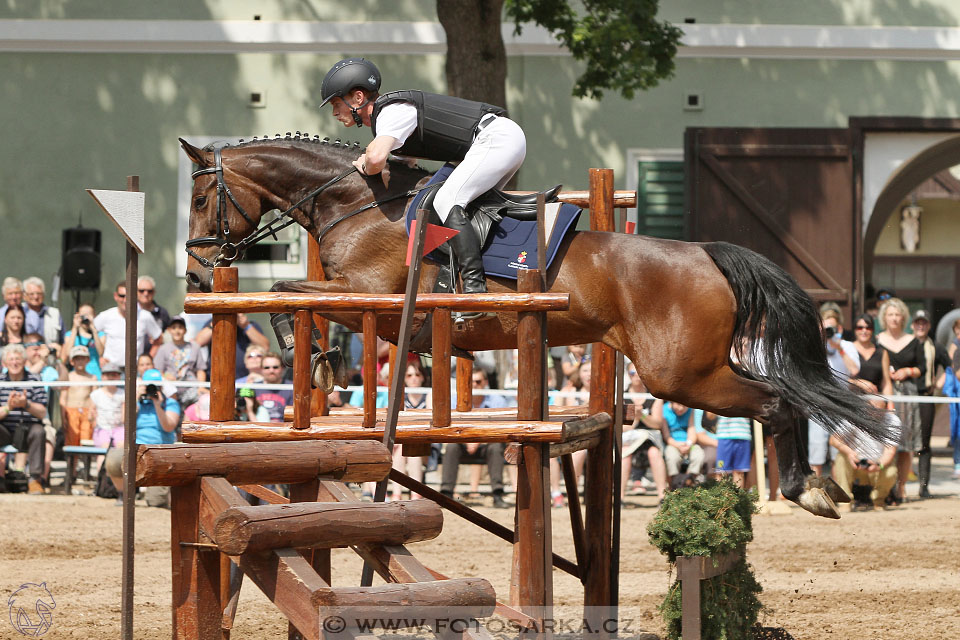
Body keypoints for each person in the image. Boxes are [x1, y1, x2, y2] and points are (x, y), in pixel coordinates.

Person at [318, 57, 525, 319]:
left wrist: (365, 164)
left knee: (448, 201)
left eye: (337, 104)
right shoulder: (392, 119)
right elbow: (406, 164)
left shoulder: (390, 112)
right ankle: (454, 278)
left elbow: (375, 159)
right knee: (437, 201)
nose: (335, 112)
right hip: (488, 144)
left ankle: (475, 292)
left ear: (358, 98)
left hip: (495, 140)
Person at [105, 368, 180, 507]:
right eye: (149, 386)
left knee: (156, 502)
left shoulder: (170, 403)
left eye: (156, 386)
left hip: (160, 450)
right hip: (137, 447)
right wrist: (134, 399)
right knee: (113, 458)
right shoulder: (137, 402)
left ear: (162, 387)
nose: (153, 389)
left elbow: (168, 427)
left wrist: (158, 405)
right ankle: (124, 494)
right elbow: (125, 420)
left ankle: (157, 493)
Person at [876, 297, 925, 503]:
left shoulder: (913, 341)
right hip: (884, 394)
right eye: (890, 315)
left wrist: (908, 371)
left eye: (898, 315)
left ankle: (901, 488)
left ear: (903, 318)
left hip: (907, 394)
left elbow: (923, 368)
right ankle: (883, 488)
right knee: (885, 442)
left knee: (906, 445)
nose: (894, 318)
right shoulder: (877, 339)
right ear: (884, 318)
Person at [440, 367, 509, 507]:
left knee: (496, 448)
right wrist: (467, 439)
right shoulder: (455, 400)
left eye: (478, 381)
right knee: (452, 447)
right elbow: (450, 426)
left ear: (485, 382)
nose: (475, 385)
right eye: (471, 382)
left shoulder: (498, 401)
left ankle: (497, 493)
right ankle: (446, 494)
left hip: (487, 443)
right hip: (461, 441)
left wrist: (477, 439)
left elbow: (501, 428)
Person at [808, 304, 860, 477]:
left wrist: (839, 347)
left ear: (839, 328)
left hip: (841, 403)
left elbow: (854, 370)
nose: (829, 331)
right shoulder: (814, 346)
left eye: (832, 327)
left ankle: (838, 492)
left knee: (838, 451)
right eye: (825, 327)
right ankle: (816, 492)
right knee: (816, 449)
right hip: (819, 403)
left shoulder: (847, 346)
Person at [911, 309, 951, 498]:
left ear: (928, 325)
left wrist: (939, 383)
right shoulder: (906, 345)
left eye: (924, 323)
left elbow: (949, 366)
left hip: (926, 396)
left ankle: (923, 485)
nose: (921, 326)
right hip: (905, 397)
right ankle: (897, 485)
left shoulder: (935, 346)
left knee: (924, 442)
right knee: (901, 442)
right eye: (918, 322)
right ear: (912, 325)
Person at [0, 344, 50, 494]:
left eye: (18, 359)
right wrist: (8, 407)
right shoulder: (0, 381)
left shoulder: (34, 380)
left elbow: (42, 413)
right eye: (11, 359)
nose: (14, 363)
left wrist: (26, 404)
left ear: (24, 361)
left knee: (39, 432)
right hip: (5, 430)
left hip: (29, 429)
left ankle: (35, 480)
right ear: (4, 363)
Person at [94, 282, 162, 369]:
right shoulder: (105, 316)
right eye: (122, 296)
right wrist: (99, 356)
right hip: (111, 369)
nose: (126, 300)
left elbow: (158, 339)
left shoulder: (145, 316)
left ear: (136, 296)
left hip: (135, 369)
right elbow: (89, 333)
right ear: (116, 296)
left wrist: (148, 359)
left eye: (129, 296)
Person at [829, 432, 897, 511]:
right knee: (841, 456)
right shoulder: (853, 419)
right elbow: (833, 440)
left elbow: (890, 452)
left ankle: (879, 501)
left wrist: (879, 465)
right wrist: (849, 452)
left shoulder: (892, 420)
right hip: (855, 466)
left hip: (877, 468)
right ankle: (845, 502)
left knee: (891, 469)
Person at [153, 316, 207, 407]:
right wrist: (166, 376)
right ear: (169, 330)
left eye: (180, 328)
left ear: (185, 330)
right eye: (174, 328)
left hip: (191, 388)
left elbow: (200, 369)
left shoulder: (194, 347)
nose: (177, 331)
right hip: (171, 389)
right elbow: (158, 371)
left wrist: (201, 387)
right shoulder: (163, 349)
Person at [195, 313, 269, 379]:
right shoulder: (213, 322)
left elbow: (265, 346)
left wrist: (246, 326)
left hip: (245, 378)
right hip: (216, 378)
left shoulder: (251, 325)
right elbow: (198, 342)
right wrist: (217, 321)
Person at [649, 398, 705, 483]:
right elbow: (666, 435)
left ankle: (689, 480)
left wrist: (688, 445)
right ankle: (674, 482)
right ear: (671, 402)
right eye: (678, 405)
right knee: (671, 456)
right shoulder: (664, 410)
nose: (681, 408)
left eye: (684, 406)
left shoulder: (691, 410)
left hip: (689, 444)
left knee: (699, 454)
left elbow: (692, 430)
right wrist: (678, 445)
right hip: (673, 444)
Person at [88, 362, 125, 475]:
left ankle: (118, 479)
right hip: (102, 429)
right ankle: (103, 481)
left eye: (114, 375)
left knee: (121, 448)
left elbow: (124, 419)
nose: (111, 377)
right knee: (103, 450)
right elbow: (90, 416)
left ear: (119, 377)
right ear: (102, 376)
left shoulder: (123, 393)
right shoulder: (96, 394)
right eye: (108, 374)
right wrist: (92, 416)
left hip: (119, 428)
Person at [60, 346, 96, 448]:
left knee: (86, 442)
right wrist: (63, 417)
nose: (80, 361)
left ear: (87, 360)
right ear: (72, 361)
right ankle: (72, 464)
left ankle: (86, 463)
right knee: (71, 443)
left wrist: (92, 415)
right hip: (71, 412)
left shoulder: (92, 378)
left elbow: (94, 398)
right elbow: (63, 398)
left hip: (87, 412)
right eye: (77, 359)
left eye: (83, 358)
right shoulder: (68, 377)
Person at [61, 303, 105, 379]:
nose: (85, 318)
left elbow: (101, 353)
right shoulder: (70, 334)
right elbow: (67, 353)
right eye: (83, 315)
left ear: (94, 316)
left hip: (95, 375)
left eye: (89, 315)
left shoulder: (100, 334)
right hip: (77, 375)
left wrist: (93, 329)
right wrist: (75, 327)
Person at [22, 277, 63, 350]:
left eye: (39, 293)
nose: (36, 297)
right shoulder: (19, 312)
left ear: (43, 295)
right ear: (24, 296)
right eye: (31, 294)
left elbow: (62, 340)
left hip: (49, 358)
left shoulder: (54, 313)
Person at [253, 352, 294, 422]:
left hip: (284, 429)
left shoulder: (292, 387)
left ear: (282, 368)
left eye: (275, 367)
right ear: (261, 369)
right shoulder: (253, 387)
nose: (271, 370)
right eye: (267, 368)